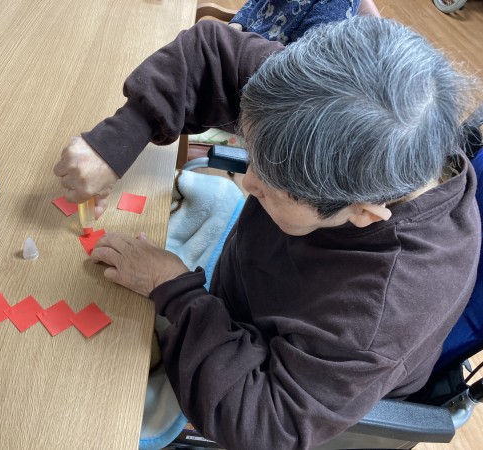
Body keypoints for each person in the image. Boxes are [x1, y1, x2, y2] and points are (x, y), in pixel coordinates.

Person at [53, 17, 481, 450]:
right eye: (252, 159)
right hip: (241, 283)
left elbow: (264, 424)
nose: (247, 182)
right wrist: (116, 141)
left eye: (271, 189)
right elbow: (209, 50)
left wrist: (174, 289)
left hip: (265, 367)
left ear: (363, 213)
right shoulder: (330, 98)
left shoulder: (380, 314)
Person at [228, 0, 381, 44]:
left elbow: (293, 64)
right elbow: (255, 2)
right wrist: (237, 24)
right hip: (242, 41)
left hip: (259, 70)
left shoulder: (336, 6)